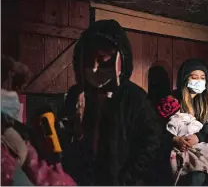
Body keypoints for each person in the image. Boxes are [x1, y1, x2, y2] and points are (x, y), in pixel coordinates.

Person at [62, 19, 162, 185]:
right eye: (88, 60)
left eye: (102, 59)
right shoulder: (75, 94)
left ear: (120, 60)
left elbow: (151, 141)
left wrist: (127, 179)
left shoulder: (135, 97)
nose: (94, 68)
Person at [1, 55, 76, 186]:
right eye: (5, 88)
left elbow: (44, 174)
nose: (13, 97)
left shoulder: (17, 136)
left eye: (14, 89)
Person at [157, 58, 208, 185]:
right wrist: (174, 139)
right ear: (185, 79)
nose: (199, 81)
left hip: (205, 151)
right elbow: (157, 129)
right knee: (196, 176)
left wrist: (198, 137)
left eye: (202, 78)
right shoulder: (171, 101)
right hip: (179, 151)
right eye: (194, 77)